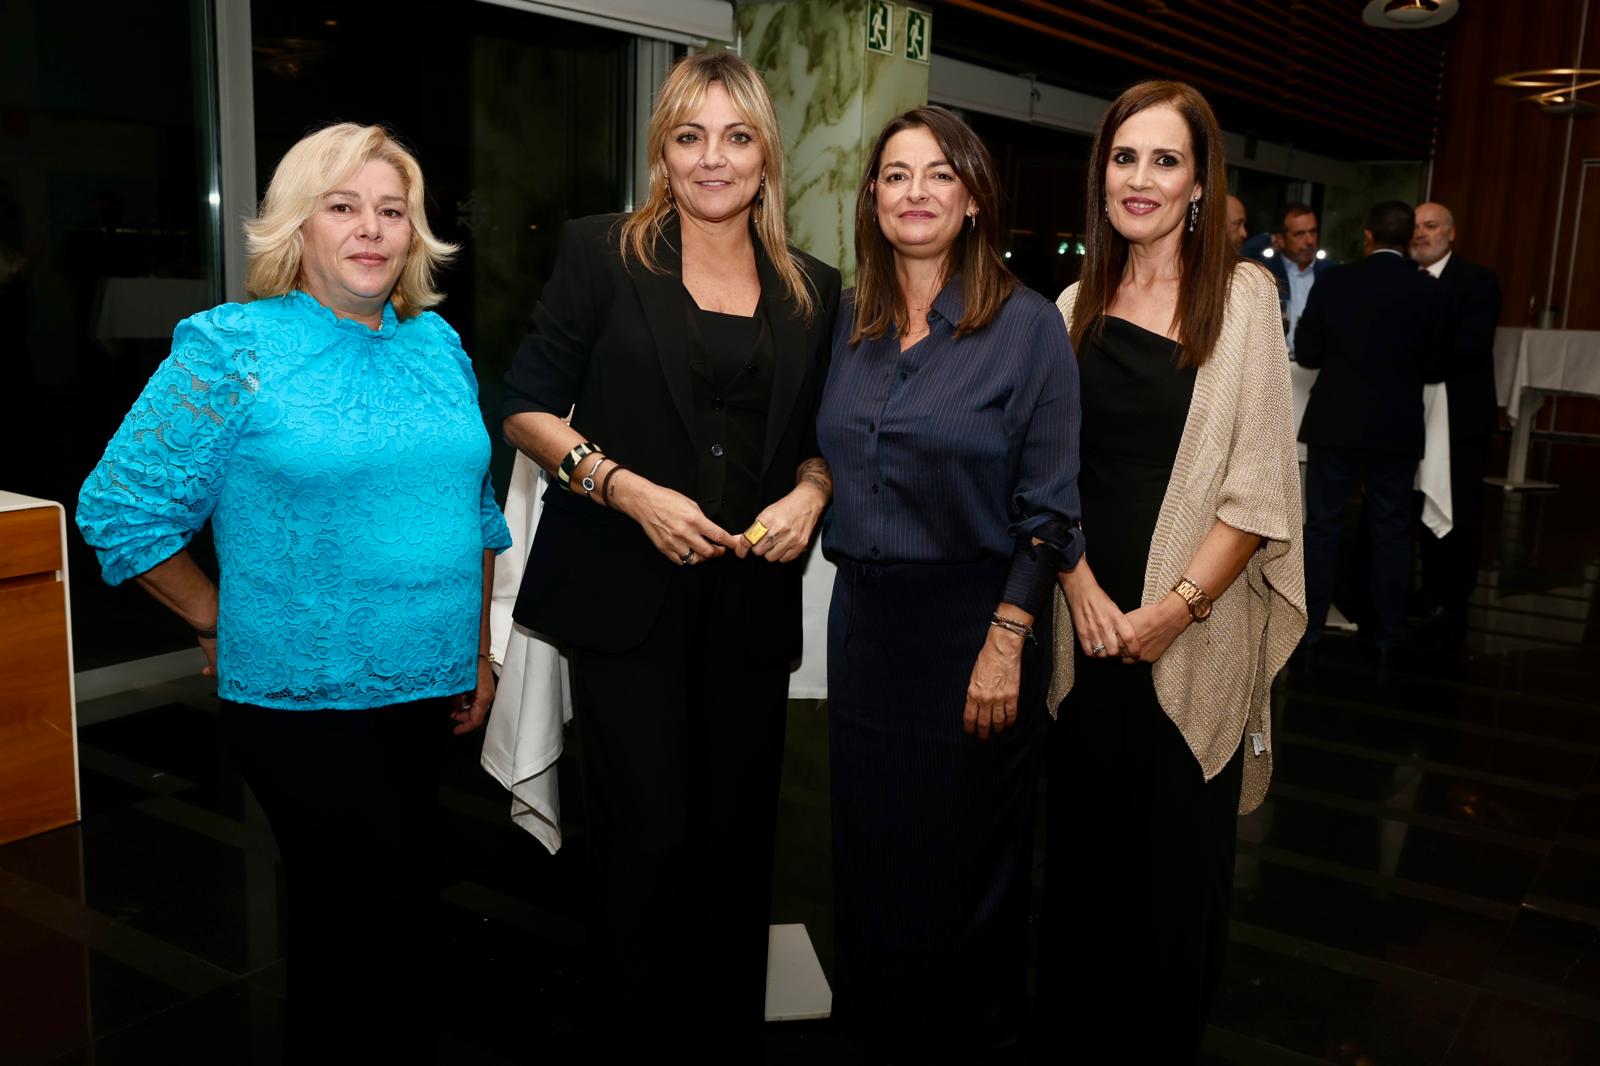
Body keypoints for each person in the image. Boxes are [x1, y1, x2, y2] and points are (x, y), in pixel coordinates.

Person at [76, 123, 511, 1060]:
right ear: (297, 228)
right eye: (342, 206)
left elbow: (476, 513)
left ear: (414, 233)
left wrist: (475, 652)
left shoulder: (439, 346)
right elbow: (120, 507)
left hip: (426, 689)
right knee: (371, 918)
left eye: (391, 211)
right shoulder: (235, 347)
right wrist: (211, 615)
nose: (370, 229)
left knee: (377, 928)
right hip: (302, 699)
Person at [499, 51, 840, 1052]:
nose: (713, 159)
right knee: (645, 841)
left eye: (736, 137)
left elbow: (826, 436)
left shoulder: (812, 288)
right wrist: (626, 488)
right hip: (623, 599)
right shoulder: (602, 253)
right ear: (662, 151)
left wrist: (812, 491)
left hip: (747, 606)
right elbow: (521, 403)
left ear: (765, 155)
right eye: (689, 136)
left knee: (738, 847)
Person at [1037, 81, 1305, 1063]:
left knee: (1174, 877)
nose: (1139, 178)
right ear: (1100, 172)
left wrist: (1174, 609)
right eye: (1123, 157)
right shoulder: (1071, 304)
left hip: (1191, 630)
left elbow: (1260, 482)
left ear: (1200, 181)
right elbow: (1047, 469)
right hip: (1086, 623)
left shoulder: (1242, 299)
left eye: (1164, 160)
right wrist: (1079, 589)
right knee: (1084, 866)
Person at [818, 105, 1083, 1060]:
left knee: (965, 863)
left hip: (976, 626)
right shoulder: (848, 320)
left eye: (938, 175)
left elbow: (1051, 507)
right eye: (895, 175)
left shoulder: (1026, 328)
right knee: (870, 856)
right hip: (867, 630)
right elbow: (821, 455)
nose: (915, 193)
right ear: (874, 198)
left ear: (972, 197)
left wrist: (1006, 639)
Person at [1297, 200, 1446, 659]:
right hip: (1395, 426)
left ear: (1367, 237)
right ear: (1408, 241)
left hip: (1336, 421)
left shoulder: (1335, 281)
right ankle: (1388, 632)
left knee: (1322, 526)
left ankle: (1311, 625)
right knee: (1391, 528)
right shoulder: (1428, 290)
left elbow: (1307, 353)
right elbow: (1438, 365)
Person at [1411, 201, 1502, 647]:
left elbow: (1470, 347)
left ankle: (1453, 596)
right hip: (1408, 414)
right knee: (1408, 506)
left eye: (1430, 226)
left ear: (1451, 233)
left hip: (1459, 416)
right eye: (1415, 228)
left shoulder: (1477, 281)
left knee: (1460, 508)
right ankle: (1422, 590)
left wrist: (1411, 361)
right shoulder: (1403, 282)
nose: (1421, 234)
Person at [1257, 201, 1332, 357]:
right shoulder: (1265, 272)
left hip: (1318, 368)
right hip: (1275, 366)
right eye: (1300, 234)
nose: (1310, 241)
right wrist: (1267, 239)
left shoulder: (1331, 273)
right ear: (1280, 239)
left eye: (1313, 232)